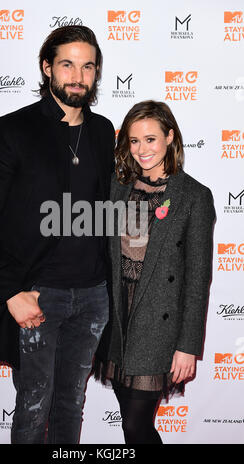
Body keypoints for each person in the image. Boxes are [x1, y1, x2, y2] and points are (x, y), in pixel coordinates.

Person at [0, 26, 115, 444]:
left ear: (97, 72)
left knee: (72, 403)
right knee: (33, 405)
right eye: (67, 64)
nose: (77, 76)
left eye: (87, 66)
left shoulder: (104, 132)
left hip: (92, 296)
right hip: (35, 296)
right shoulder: (11, 131)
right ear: (47, 67)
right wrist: (12, 292)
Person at [94, 100, 215, 444]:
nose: (142, 149)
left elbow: (197, 280)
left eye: (150, 139)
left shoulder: (194, 196)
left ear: (170, 137)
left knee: (136, 426)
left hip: (157, 327)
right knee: (131, 427)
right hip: (117, 319)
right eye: (134, 141)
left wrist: (188, 346)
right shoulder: (118, 188)